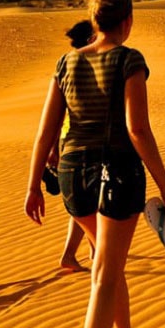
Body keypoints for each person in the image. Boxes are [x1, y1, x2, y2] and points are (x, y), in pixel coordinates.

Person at [25, 0, 165, 328]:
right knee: (104, 274)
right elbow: (137, 129)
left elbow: (45, 132)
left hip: (73, 172)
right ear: (128, 20)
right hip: (117, 171)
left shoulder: (66, 62)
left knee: (107, 264)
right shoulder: (130, 60)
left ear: (95, 20)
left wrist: (32, 187)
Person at [47, 20, 97, 272]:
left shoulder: (69, 63)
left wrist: (53, 148)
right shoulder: (81, 65)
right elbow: (57, 114)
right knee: (88, 202)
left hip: (71, 143)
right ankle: (81, 252)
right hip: (80, 144)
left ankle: (91, 249)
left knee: (86, 202)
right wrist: (53, 148)